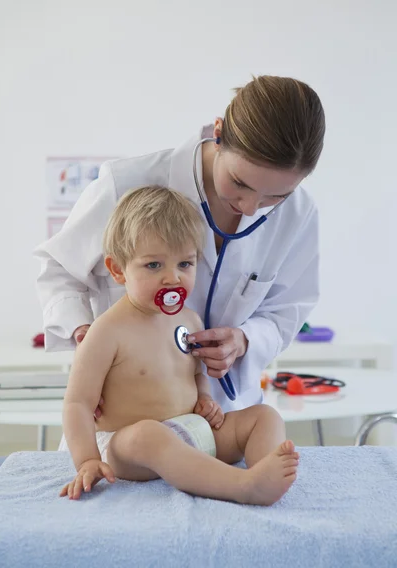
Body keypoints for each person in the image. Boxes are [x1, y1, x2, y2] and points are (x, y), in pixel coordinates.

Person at [35, 75, 325, 414]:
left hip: (222, 414)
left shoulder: (298, 213)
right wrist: (85, 336)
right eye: (239, 183)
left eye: (275, 196)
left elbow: (285, 311)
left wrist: (244, 340)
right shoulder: (126, 183)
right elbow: (59, 270)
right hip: (125, 416)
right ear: (218, 134)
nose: (249, 207)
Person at [59, 186, 299, 505]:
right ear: (118, 269)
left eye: (185, 264)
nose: (172, 278)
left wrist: (203, 399)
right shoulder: (106, 332)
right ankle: (242, 486)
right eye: (154, 266)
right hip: (130, 448)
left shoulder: (190, 320)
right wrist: (87, 460)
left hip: (190, 431)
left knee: (264, 416)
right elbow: (77, 403)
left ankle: (264, 471)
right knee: (149, 434)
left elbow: (193, 372)